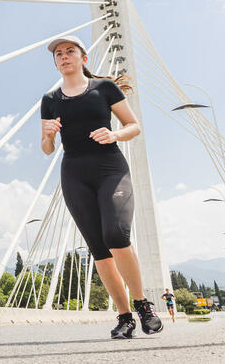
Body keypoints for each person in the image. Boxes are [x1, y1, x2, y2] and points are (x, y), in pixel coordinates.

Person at [40, 35, 163, 339]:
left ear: (83, 58)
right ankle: (125, 317)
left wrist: (115, 135)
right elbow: (46, 148)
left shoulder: (104, 88)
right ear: (55, 63)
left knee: (116, 235)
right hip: (74, 173)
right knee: (99, 249)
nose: (63, 56)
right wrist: (49, 135)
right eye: (58, 54)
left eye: (70, 51)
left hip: (110, 169)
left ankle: (142, 304)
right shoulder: (50, 99)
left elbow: (133, 125)